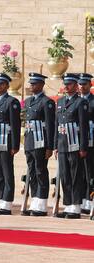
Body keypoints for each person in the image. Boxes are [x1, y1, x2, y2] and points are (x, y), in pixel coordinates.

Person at [54, 73, 89, 219]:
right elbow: (57, 124)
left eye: (69, 84)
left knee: (75, 175)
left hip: (75, 144)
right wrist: (55, 145)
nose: (66, 86)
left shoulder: (80, 102)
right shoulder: (61, 101)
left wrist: (83, 147)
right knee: (64, 175)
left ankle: (76, 206)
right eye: (65, 84)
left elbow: (83, 126)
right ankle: (68, 205)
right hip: (62, 144)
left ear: (75, 85)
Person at [22, 73, 55, 216]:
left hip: (41, 142)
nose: (31, 86)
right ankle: (34, 200)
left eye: (34, 84)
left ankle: (41, 203)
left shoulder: (46, 102)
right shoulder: (28, 101)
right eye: (31, 84)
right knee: (32, 172)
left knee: (41, 171)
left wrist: (49, 146)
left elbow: (50, 125)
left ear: (41, 85)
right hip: (30, 141)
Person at [0, 73, 21, 215]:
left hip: (6, 141)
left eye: (2, 84)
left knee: (7, 172)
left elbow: (15, 125)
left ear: (7, 86)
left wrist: (15, 145)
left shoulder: (11, 102)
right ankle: (1, 198)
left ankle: (7, 202)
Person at [78, 73, 94, 215]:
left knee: (90, 172)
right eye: (80, 84)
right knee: (79, 173)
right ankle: (80, 199)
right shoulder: (75, 101)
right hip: (75, 141)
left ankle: (89, 201)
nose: (82, 86)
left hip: (90, 141)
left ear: (90, 85)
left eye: (85, 84)